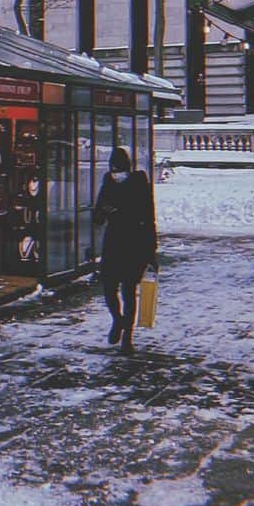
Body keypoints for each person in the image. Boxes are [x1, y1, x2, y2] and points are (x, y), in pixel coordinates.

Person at [93, 146, 157, 354]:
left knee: (129, 292)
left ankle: (127, 338)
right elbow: (97, 217)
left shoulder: (139, 184)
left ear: (127, 169)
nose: (116, 173)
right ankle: (118, 320)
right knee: (109, 289)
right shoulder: (108, 182)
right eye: (113, 169)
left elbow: (148, 219)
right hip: (112, 245)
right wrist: (104, 210)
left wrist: (151, 252)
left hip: (133, 245)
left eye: (119, 169)